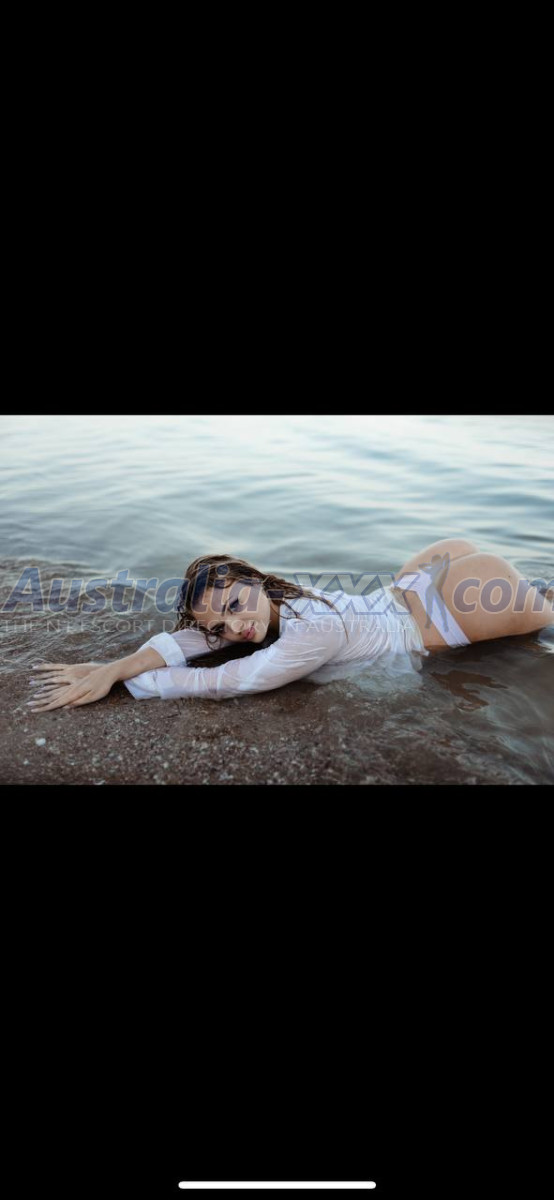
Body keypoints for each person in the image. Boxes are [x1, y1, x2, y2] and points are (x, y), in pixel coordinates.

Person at [27, 539, 554, 710]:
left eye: (236, 605)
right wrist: (115, 665)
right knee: (541, 600)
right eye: (222, 624)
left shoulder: (310, 631)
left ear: (254, 580)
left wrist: (126, 682)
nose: (235, 627)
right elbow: (192, 639)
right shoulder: (276, 596)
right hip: (422, 583)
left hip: (455, 609)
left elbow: (225, 680)